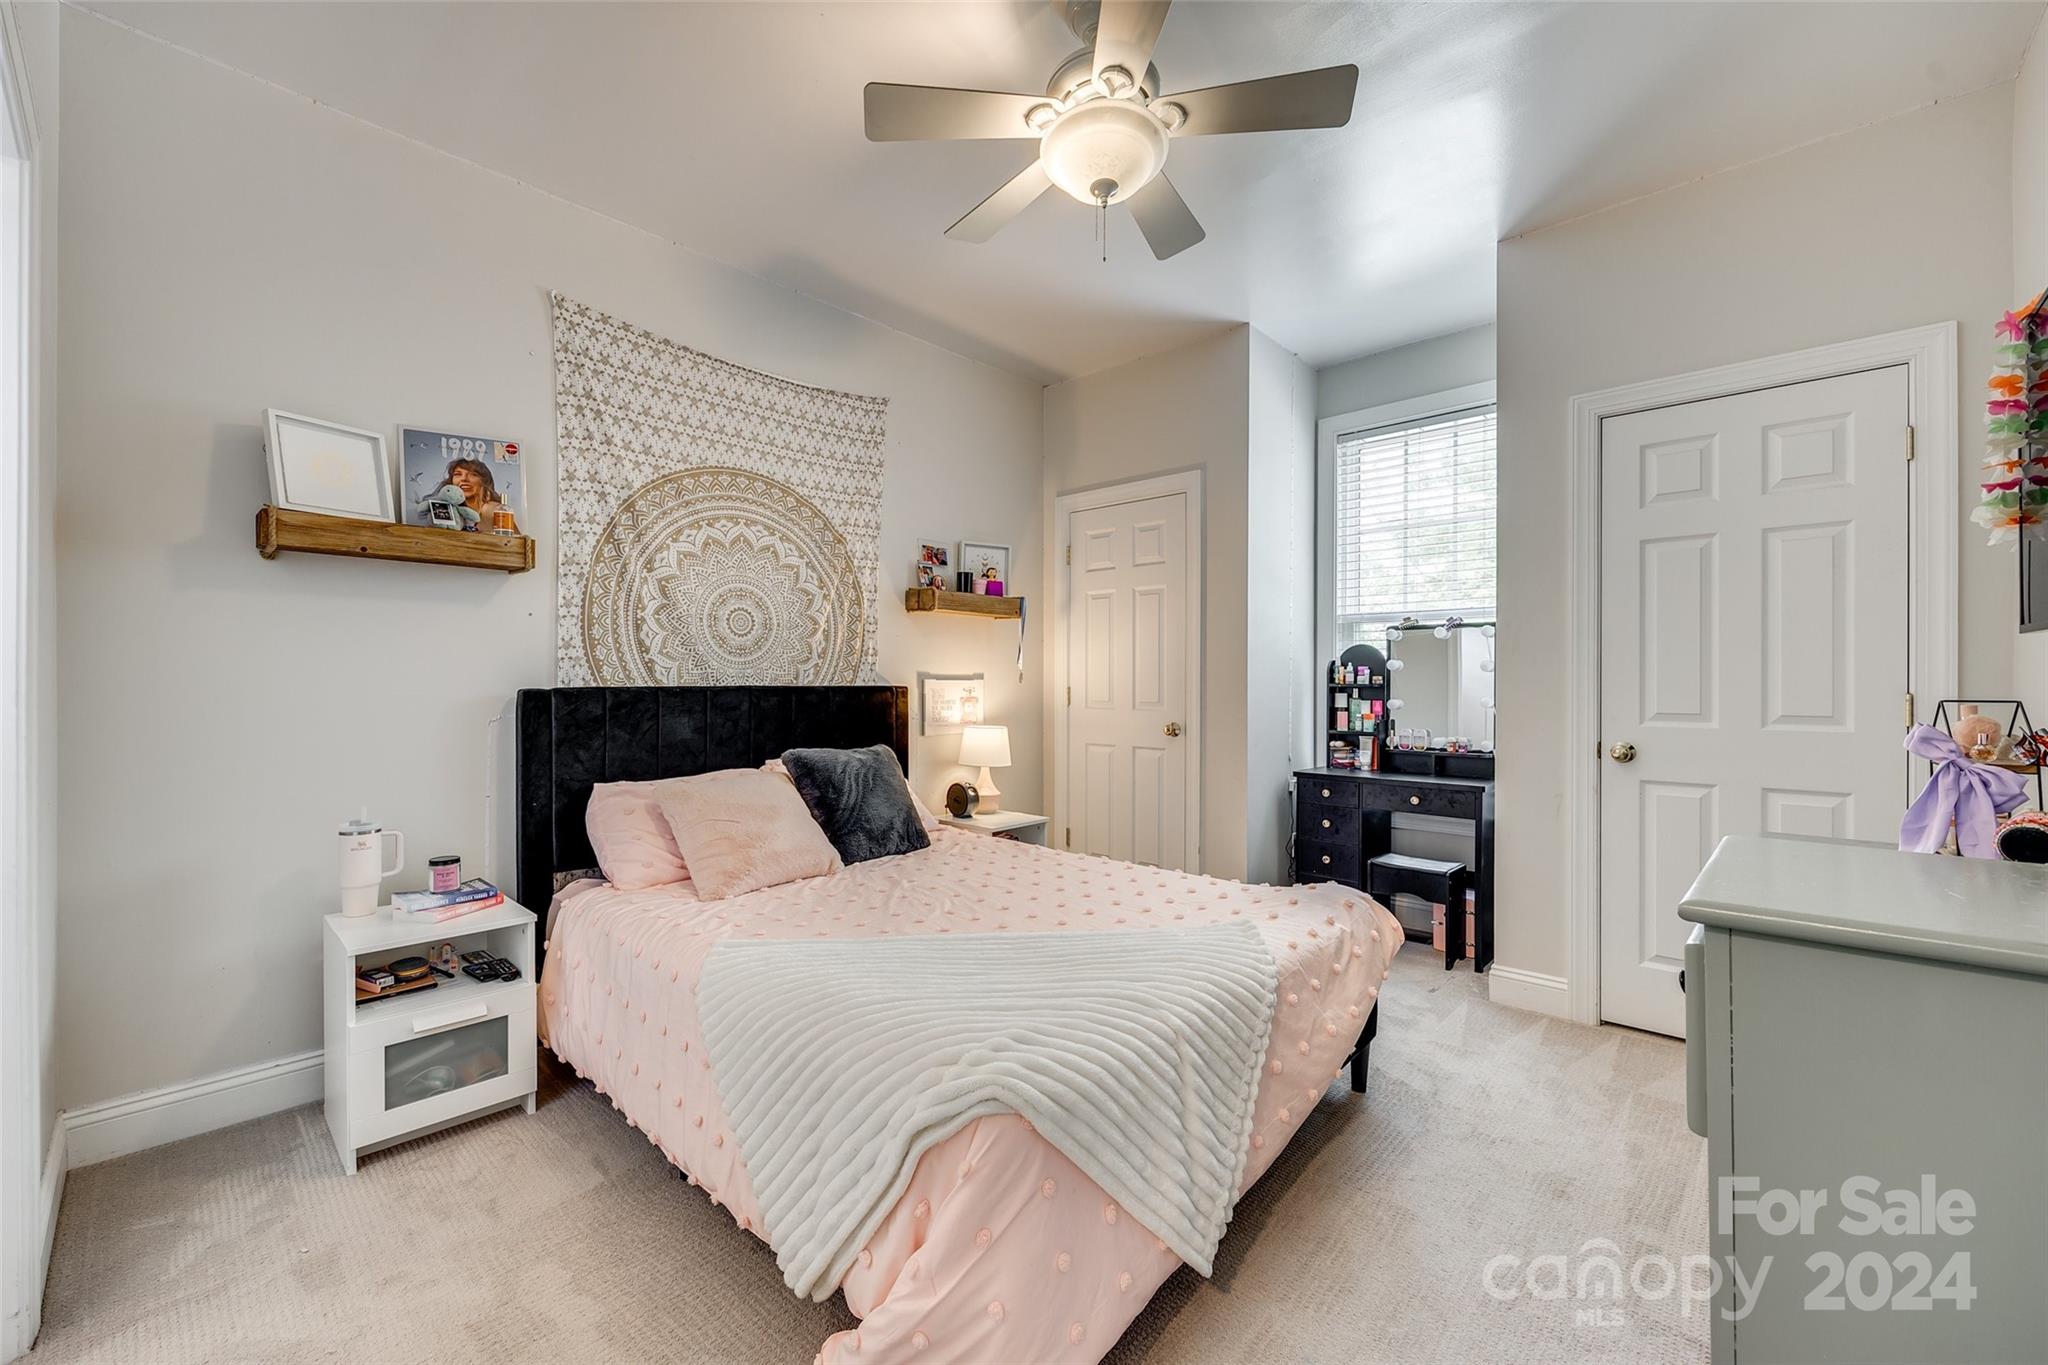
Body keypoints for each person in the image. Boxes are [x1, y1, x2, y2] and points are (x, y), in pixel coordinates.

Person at [445, 457, 518, 534]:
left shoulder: (493, 511)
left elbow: (516, 542)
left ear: (484, 481)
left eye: (473, 474)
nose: (464, 478)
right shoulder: (452, 512)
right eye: (458, 474)